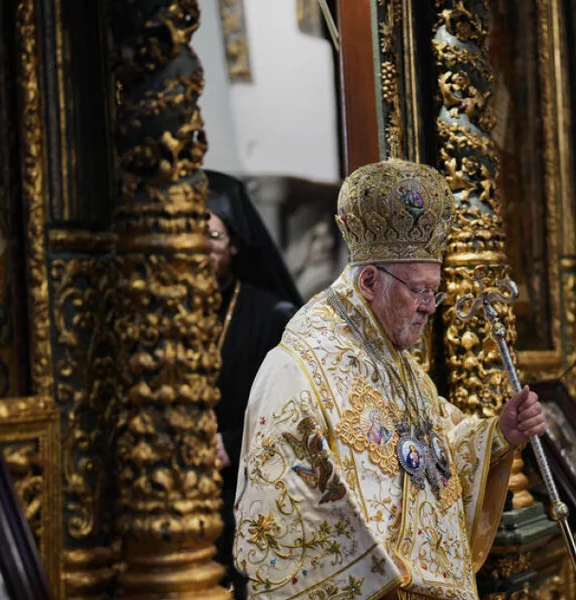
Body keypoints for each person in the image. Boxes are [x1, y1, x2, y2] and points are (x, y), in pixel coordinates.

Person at [232, 159, 547, 600]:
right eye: (419, 290)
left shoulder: (400, 367)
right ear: (368, 280)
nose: (429, 306)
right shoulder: (297, 369)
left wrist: (499, 434)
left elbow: (432, 461)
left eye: (433, 291)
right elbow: (279, 515)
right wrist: (381, 571)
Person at [204, 169, 302, 599]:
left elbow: (295, 409)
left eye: (211, 236)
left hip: (242, 495)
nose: (196, 247)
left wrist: (231, 441)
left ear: (235, 244)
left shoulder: (271, 315)